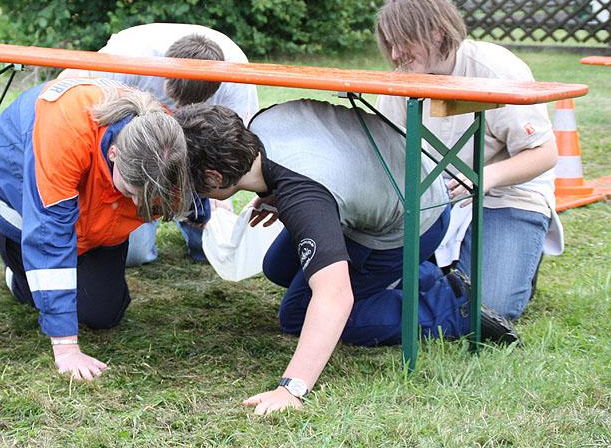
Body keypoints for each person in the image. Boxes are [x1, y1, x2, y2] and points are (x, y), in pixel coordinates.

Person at [174, 101, 519, 415]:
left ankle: (452, 307)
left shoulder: (304, 195)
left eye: (190, 184)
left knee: (297, 314)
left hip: (414, 219)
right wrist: (273, 191)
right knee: (277, 267)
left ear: (214, 177)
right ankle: (421, 275)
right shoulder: (261, 125)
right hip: (407, 177)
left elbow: (334, 296)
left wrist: (291, 389)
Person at [0, 77, 192, 381]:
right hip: (21, 198)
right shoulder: (65, 131)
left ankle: (60, 275)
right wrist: (66, 348)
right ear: (114, 153)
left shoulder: (163, 139)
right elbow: (49, 235)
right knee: (49, 285)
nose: (136, 203)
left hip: (94, 217)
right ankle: (20, 275)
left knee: (103, 314)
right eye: (131, 191)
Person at [375, 0, 560, 321]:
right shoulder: (402, 80)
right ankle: (449, 277)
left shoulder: (496, 70)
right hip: (434, 198)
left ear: (436, 32)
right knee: (371, 274)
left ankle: (506, 263)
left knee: (491, 307)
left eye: (403, 41)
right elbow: (381, 148)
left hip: (507, 195)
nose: (396, 54)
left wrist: (485, 177)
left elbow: (544, 154)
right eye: (390, 44)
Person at [60, 23, 260, 266]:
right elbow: (67, 86)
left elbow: (238, 149)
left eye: (190, 105)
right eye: (175, 99)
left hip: (192, 155)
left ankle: (196, 222)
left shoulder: (235, 75)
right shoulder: (129, 56)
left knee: (210, 252)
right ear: (164, 75)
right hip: (136, 156)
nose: (179, 107)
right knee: (134, 255)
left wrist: (220, 198)